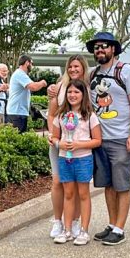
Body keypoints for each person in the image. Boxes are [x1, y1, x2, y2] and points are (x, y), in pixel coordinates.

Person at [87, 32, 130, 246]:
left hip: (121, 138)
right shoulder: (92, 74)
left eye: (104, 46)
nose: (100, 50)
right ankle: (111, 224)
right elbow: (72, 85)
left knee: (122, 185)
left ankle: (120, 228)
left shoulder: (125, 71)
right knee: (107, 185)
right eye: (96, 47)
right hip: (100, 139)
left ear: (113, 49)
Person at [51, 79, 102, 245]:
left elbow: (97, 140)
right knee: (69, 194)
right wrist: (59, 144)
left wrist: (79, 144)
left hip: (83, 159)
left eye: (76, 92)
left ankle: (83, 230)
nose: (72, 95)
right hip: (65, 159)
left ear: (83, 94)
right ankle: (67, 230)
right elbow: (54, 137)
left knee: (83, 194)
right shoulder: (61, 115)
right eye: (69, 92)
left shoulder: (90, 116)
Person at [47, 55, 89, 240]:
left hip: (80, 147)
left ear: (83, 68)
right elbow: (52, 114)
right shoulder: (60, 87)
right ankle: (58, 221)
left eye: (77, 66)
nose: (73, 69)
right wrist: (55, 138)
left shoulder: (88, 87)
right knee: (58, 182)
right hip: (60, 144)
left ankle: (75, 222)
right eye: (70, 66)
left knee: (79, 186)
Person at [6, 55, 47, 133]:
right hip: (17, 113)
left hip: (16, 112)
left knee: (16, 138)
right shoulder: (20, 74)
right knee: (18, 139)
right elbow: (33, 87)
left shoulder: (20, 74)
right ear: (27, 63)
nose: (32, 66)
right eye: (32, 63)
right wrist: (42, 82)